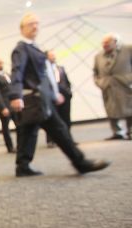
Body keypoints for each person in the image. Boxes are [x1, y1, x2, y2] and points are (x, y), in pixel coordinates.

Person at [8, 13, 110, 177]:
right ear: (22, 29)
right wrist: (15, 95)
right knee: (59, 130)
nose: (35, 26)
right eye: (30, 24)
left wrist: (54, 94)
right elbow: (17, 71)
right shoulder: (22, 48)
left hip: (40, 98)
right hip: (36, 100)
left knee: (28, 132)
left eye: (37, 23)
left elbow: (43, 75)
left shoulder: (33, 47)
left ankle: (22, 166)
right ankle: (80, 163)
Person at [93, 33, 132, 140]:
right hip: (108, 87)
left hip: (125, 86)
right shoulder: (98, 56)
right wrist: (100, 83)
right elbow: (95, 73)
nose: (104, 45)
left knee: (130, 109)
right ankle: (117, 132)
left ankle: (130, 132)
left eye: (107, 43)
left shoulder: (128, 50)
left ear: (115, 42)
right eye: (103, 43)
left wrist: (129, 79)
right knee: (111, 110)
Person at [45, 49, 74, 147]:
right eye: (51, 55)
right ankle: (51, 140)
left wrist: (69, 92)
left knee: (66, 118)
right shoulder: (44, 70)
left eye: (54, 55)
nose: (54, 57)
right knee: (52, 119)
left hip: (65, 97)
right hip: (51, 97)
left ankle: (68, 139)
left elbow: (67, 81)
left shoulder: (61, 68)